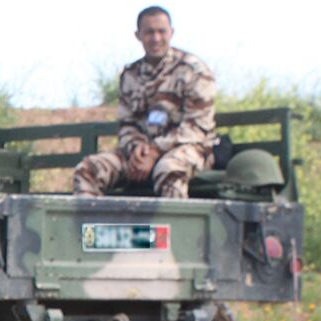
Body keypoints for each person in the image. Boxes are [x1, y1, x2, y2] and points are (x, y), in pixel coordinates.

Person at [73, 6, 217, 200]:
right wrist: (138, 151)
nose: (156, 38)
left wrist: (155, 151)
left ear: (171, 33)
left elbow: (197, 128)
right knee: (88, 169)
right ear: (138, 35)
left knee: (169, 170)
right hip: (140, 154)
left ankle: (175, 229)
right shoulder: (131, 74)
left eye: (161, 31)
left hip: (188, 149)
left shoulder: (194, 71)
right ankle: (92, 229)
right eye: (149, 32)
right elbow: (127, 125)